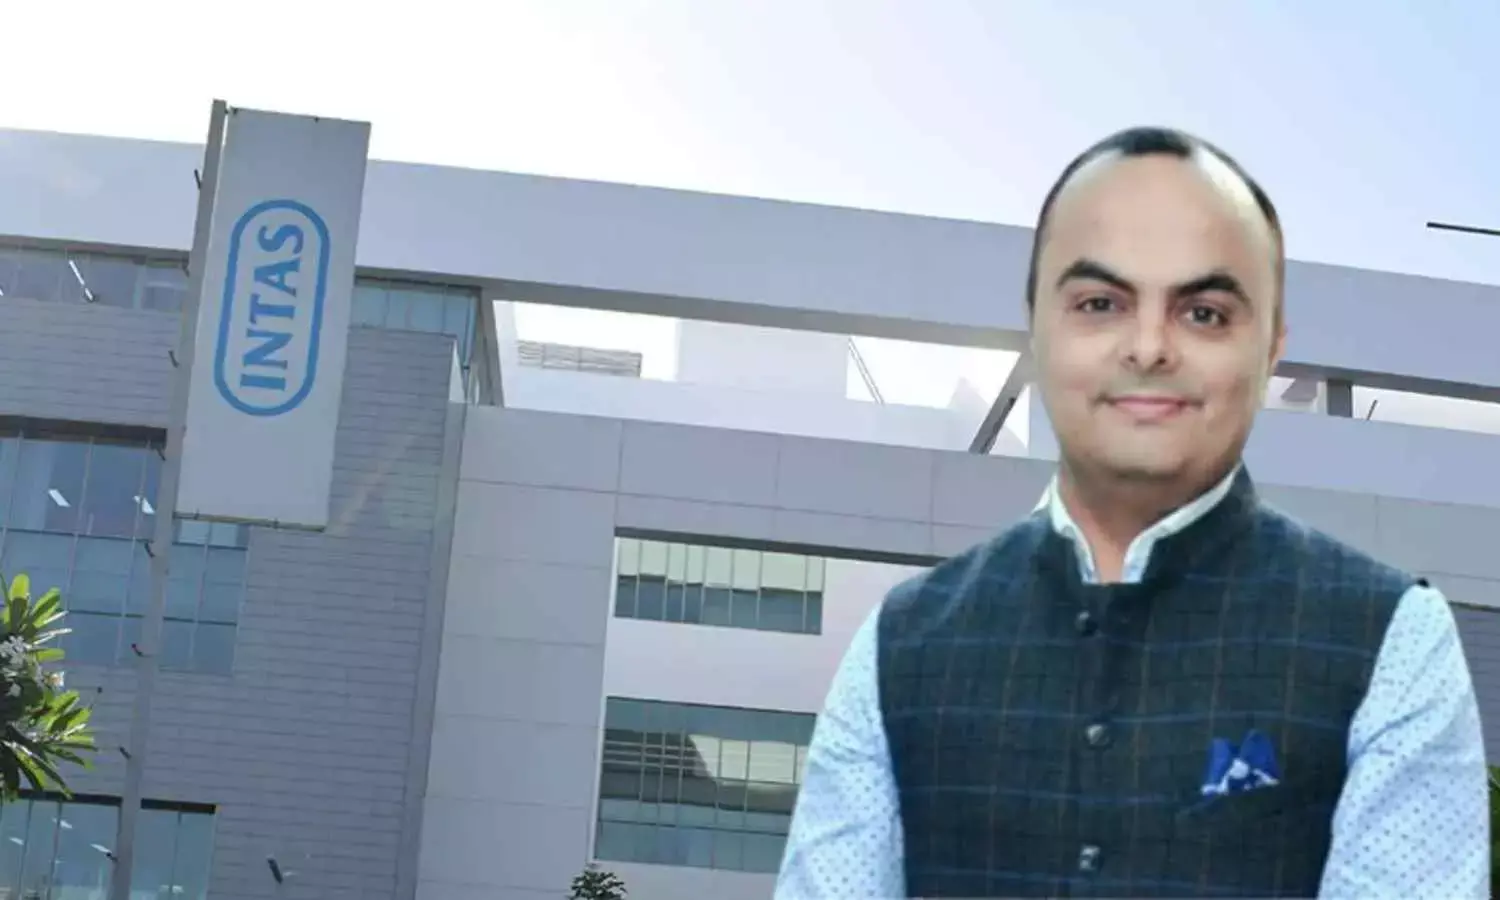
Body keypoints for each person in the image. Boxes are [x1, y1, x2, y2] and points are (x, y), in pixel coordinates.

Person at [775, 126, 1488, 899]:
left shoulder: (1392, 638)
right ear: (1036, 327)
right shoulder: (901, 642)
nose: (1148, 347)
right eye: (1100, 303)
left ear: (1272, 347)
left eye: (1204, 312)